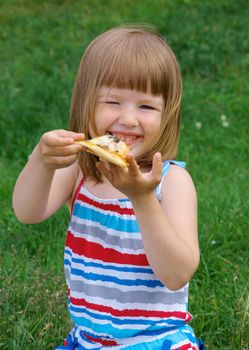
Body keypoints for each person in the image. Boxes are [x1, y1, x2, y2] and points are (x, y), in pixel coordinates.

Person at [13, 24, 204, 349]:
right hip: (88, 339)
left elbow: (176, 274)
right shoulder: (81, 170)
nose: (128, 119)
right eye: (113, 102)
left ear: (167, 113)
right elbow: (28, 212)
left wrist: (142, 198)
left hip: (157, 339)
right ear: (86, 102)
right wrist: (41, 161)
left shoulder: (172, 183)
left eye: (146, 107)